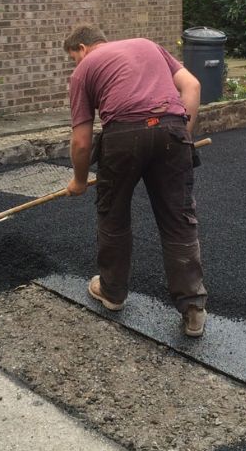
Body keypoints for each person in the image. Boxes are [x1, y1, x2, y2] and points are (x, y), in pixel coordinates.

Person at [63, 24, 208, 337]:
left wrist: (78, 181)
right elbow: (193, 86)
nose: (76, 63)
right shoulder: (147, 44)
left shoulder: (84, 70)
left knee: (113, 217)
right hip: (171, 127)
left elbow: (81, 142)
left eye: (74, 57)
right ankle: (193, 308)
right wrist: (182, 136)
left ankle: (112, 293)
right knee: (179, 219)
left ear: (82, 49)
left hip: (122, 136)